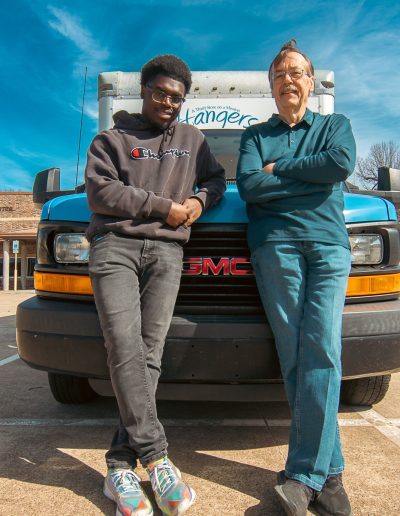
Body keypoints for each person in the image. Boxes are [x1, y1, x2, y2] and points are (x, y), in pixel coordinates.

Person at [85, 54, 225, 516]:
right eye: (161, 93)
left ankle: (120, 464)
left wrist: (200, 202)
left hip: (167, 254)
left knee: (149, 353)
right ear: (144, 91)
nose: (169, 102)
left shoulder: (193, 140)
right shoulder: (111, 139)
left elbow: (216, 179)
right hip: (115, 248)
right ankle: (158, 457)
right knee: (123, 346)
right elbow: (101, 192)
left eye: (177, 97)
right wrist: (163, 207)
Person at [237, 40, 355, 516]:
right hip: (275, 248)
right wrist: (309, 180)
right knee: (294, 358)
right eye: (281, 74)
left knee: (322, 349)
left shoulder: (335, 126)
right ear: (272, 85)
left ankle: (303, 475)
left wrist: (280, 171)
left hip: (329, 246)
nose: (289, 79)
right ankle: (332, 477)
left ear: (311, 82)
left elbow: (340, 164)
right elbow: (249, 186)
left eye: (298, 72)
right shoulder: (254, 135)